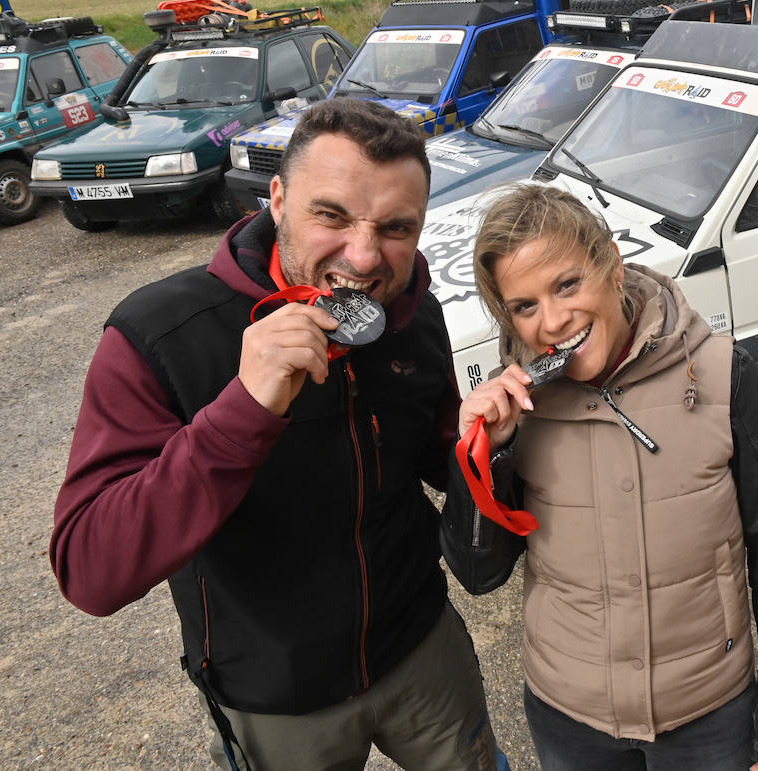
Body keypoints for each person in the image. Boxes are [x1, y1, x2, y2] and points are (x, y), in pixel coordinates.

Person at [49, 98, 500, 771]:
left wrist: (485, 440)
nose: (365, 254)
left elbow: (439, 455)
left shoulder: (408, 309)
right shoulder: (162, 335)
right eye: (333, 215)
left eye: (396, 227)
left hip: (420, 647)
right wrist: (241, 413)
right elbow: (89, 569)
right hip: (275, 694)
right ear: (278, 199)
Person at [441, 183, 758, 771]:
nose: (554, 321)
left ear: (611, 264)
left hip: (708, 711)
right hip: (570, 717)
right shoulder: (515, 406)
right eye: (525, 306)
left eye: (567, 284)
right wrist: (486, 454)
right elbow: (478, 575)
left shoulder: (719, 372)